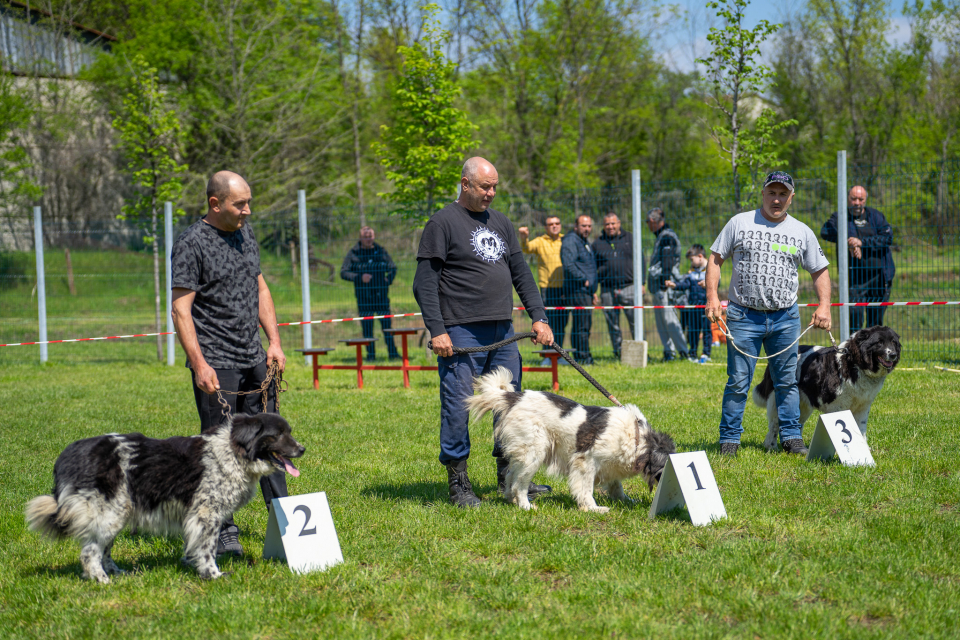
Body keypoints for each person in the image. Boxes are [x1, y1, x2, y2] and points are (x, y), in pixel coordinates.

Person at [413, 157, 554, 508]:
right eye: (484, 187)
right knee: (458, 406)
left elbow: (521, 274)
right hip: (460, 332)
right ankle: (459, 482)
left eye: (494, 187)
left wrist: (538, 317)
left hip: (502, 330)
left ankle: (511, 477)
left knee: (511, 406)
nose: (490, 193)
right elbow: (424, 284)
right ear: (465, 184)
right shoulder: (442, 223)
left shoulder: (501, 223)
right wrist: (438, 330)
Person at [171, 170, 288, 556]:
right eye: (240, 204)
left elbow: (259, 287)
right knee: (222, 449)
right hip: (216, 363)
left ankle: (285, 519)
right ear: (215, 203)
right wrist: (199, 364)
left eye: (249, 202)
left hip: (254, 358)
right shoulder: (191, 244)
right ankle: (223, 530)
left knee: (271, 440)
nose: (248, 211)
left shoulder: (244, 233)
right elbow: (180, 310)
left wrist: (273, 341)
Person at [704, 171, 833, 457]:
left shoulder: (802, 232)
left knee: (787, 380)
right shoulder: (739, 223)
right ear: (763, 193)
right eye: (772, 193)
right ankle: (729, 441)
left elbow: (819, 270)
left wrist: (824, 306)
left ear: (791, 197)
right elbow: (715, 259)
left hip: (785, 318)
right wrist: (712, 297)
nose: (777, 199)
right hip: (743, 316)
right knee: (738, 380)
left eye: (782, 194)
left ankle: (791, 438)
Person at [820, 185, 895, 330]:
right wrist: (850, 240)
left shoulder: (876, 216)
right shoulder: (840, 217)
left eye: (861, 199)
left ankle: (874, 351)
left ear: (865, 200)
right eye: (853, 199)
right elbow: (825, 231)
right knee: (854, 320)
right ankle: (854, 351)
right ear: (848, 199)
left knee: (876, 322)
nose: (857, 202)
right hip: (854, 279)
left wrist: (862, 243)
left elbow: (887, 238)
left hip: (879, 278)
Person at [340, 226, 400, 361]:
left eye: (370, 236)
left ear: (374, 237)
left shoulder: (380, 251)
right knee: (367, 328)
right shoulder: (354, 253)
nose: (368, 239)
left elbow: (392, 267)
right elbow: (343, 272)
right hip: (364, 297)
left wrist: (387, 280)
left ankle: (393, 354)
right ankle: (371, 356)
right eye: (365, 237)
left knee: (387, 326)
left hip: (381, 296)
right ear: (360, 238)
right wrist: (359, 278)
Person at [592, 212, 639, 360]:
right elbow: (593, 268)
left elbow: (641, 260)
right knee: (612, 324)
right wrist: (594, 290)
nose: (610, 227)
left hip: (629, 286)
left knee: (635, 321)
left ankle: (639, 352)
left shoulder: (631, 238)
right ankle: (618, 352)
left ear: (619, 223)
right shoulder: (597, 243)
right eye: (607, 224)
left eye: (613, 223)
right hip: (607, 289)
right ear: (603, 226)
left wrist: (641, 283)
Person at [519, 215, 567, 353]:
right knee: (547, 323)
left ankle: (560, 353)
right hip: (547, 288)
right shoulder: (540, 241)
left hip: (564, 288)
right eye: (551, 224)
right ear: (546, 227)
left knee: (562, 323)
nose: (554, 226)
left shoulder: (565, 240)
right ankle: (547, 355)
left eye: (557, 223)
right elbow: (527, 248)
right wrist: (524, 237)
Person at [646, 208, 689, 361]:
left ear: (653, 221)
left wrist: (665, 283)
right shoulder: (661, 236)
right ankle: (668, 352)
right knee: (661, 321)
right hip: (658, 286)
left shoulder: (667, 237)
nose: (647, 226)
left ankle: (683, 351)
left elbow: (668, 261)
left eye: (648, 222)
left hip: (664, 285)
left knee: (670, 319)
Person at [560, 214, 597, 364]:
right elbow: (568, 265)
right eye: (583, 226)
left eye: (589, 226)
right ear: (576, 226)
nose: (587, 229)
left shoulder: (583, 241)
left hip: (586, 292)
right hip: (577, 291)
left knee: (584, 324)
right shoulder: (571, 241)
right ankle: (582, 358)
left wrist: (592, 290)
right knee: (581, 326)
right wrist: (585, 280)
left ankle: (582, 355)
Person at [666, 244, 711, 363]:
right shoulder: (692, 273)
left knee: (706, 330)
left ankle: (706, 353)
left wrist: (708, 285)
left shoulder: (711, 269)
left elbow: (717, 283)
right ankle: (693, 353)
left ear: (700, 256)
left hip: (706, 305)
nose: (691, 262)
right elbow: (686, 284)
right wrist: (675, 285)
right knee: (693, 331)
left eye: (692, 260)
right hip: (693, 306)